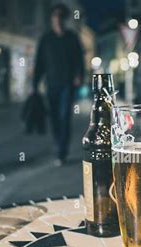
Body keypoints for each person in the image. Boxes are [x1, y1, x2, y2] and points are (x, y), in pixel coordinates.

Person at [33, 3, 84, 166]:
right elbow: (39, 63)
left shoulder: (71, 37)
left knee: (64, 117)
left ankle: (61, 152)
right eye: (55, 16)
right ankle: (58, 145)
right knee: (54, 118)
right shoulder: (46, 39)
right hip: (51, 84)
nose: (58, 20)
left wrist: (79, 76)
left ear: (64, 19)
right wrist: (34, 85)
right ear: (51, 19)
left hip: (67, 85)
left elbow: (79, 59)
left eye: (61, 17)